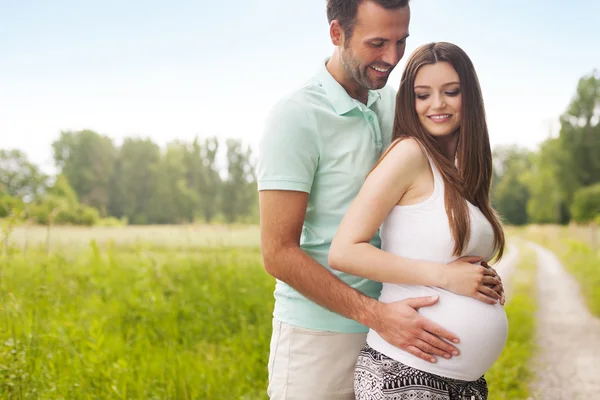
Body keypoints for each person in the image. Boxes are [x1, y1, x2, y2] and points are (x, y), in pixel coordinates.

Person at [257, 0, 504, 398]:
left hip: (405, 335)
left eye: (400, 41)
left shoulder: (401, 106)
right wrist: (377, 315)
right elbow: (277, 253)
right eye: (377, 44)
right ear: (337, 34)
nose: (391, 59)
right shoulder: (296, 117)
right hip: (319, 335)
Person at [328, 41, 508, 400]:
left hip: (460, 384)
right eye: (422, 95)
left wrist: (480, 278)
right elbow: (344, 251)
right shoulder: (409, 154)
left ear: (468, 96)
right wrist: (446, 277)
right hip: (404, 374)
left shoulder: (461, 174)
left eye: (451, 92)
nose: (437, 105)